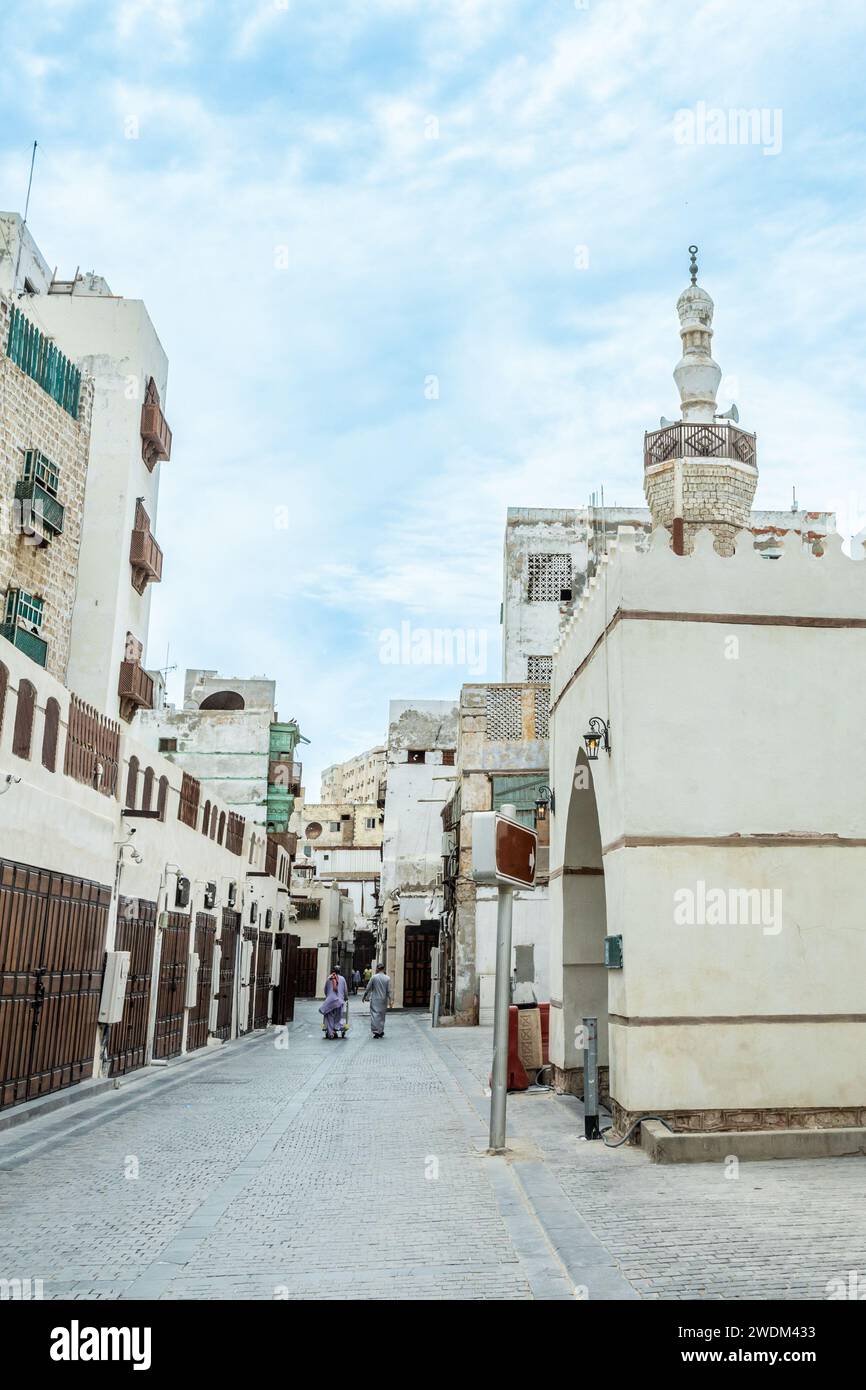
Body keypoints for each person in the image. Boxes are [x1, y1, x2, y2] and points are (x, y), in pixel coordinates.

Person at [362, 963, 393, 1039]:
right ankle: (381, 1031)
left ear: (377, 969)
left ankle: (376, 1031)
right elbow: (389, 991)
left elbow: (368, 988)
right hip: (383, 1000)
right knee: (382, 1016)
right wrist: (390, 1000)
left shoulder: (374, 977)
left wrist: (364, 996)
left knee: (375, 1015)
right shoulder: (387, 978)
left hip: (375, 999)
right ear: (383, 969)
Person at [319, 969, 347, 1039]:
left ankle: (331, 1032)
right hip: (339, 1001)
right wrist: (346, 997)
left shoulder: (329, 978)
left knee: (329, 1017)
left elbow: (325, 990)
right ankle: (335, 1028)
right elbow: (345, 990)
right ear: (339, 972)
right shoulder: (342, 979)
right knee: (338, 1016)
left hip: (330, 1001)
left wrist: (327, 996)